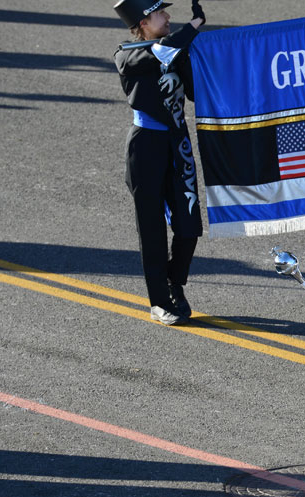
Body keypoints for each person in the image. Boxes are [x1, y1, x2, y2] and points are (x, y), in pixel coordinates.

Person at [113, 0, 206, 325]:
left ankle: (174, 283)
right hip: (146, 147)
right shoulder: (127, 54)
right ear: (143, 22)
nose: (168, 17)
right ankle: (159, 302)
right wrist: (192, 29)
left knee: (189, 222)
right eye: (160, 14)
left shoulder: (173, 50)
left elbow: (194, 92)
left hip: (177, 143)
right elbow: (159, 53)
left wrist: (200, 51)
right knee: (151, 228)